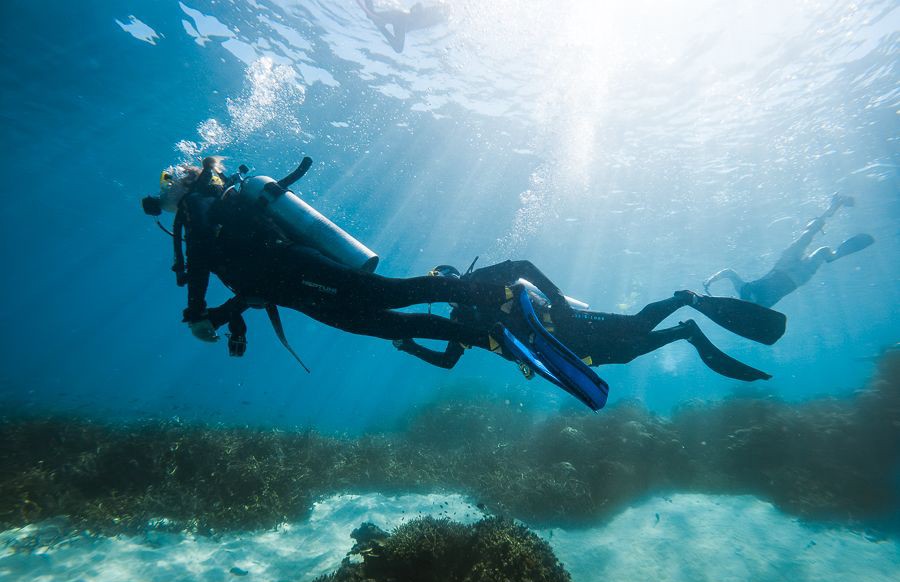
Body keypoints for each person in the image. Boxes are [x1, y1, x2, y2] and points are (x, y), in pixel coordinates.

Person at [142, 157, 574, 359]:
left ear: (186, 181)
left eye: (168, 181)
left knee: (394, 295)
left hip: (303, 272)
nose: (164, 192)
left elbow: (200, 262)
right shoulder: (207, 216)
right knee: (391, 324)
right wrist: (218, 316)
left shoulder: (197, 209)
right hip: (299, 292)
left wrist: (197, 310)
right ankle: (492, 338)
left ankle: (496, 295)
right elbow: (253, 287)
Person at [394, 261, 788, 382]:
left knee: (634, 326)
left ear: (454, 277)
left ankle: (685, 299)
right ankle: (685, 331)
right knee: (627, 355)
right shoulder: (462, 320)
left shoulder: (481, 281)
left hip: (569, 321)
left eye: (443, 279)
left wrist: (559, 297)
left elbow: (523, 266)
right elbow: (448, 361)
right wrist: (408, 343)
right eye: (435, 286)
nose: (443, 288)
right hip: (561, 352)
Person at [703, 194, 874, 307]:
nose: (733, 299)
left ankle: (834, 206)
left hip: (783, 266)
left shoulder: (743, 290)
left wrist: (710, 280)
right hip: (798, 278)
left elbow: (729, 272)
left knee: (808, 235)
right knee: (823, 251)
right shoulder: (761, 308)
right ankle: (834, 256)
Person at [356, 0, 446, 53]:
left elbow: (417, 9)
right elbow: (417, 7)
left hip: (400, 20)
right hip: (400, 18)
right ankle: (381, 26)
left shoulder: (435, 18)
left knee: (372, 15)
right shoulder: (433, 14)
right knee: (372, 16)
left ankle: (380, 25)